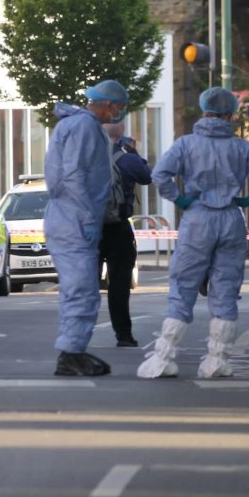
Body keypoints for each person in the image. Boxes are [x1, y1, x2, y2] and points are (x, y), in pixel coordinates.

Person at [137, 87, 249, 379]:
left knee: (183, 286)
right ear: (229, 115)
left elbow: (160, 174)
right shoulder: (240, 147)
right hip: (231, 217)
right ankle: (217, 360)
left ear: (204, 111)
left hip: (198, 216)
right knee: (226, 290)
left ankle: (163, 358)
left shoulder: (185, 145)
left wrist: (178, 199)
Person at [44, 79, 128, 377]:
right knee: (82, 290)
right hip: (75, 220)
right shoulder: (84, 128)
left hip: (71, 218)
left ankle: (74, 349)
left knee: (80, 289)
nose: (119, 113)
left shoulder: (76, 126)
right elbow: (75, 175)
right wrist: (89, 217)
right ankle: (71, 353)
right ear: (108, 105)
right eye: (119, 107)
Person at [98, 120, 152, 347]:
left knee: (85, 284)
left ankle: (78, 336)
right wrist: (134, 152)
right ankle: (123, 334)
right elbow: (147, 177)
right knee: (119, 284)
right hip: (119, 227)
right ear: (120, 133)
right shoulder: (128, 159)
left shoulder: (87, 158)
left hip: (90, 228)